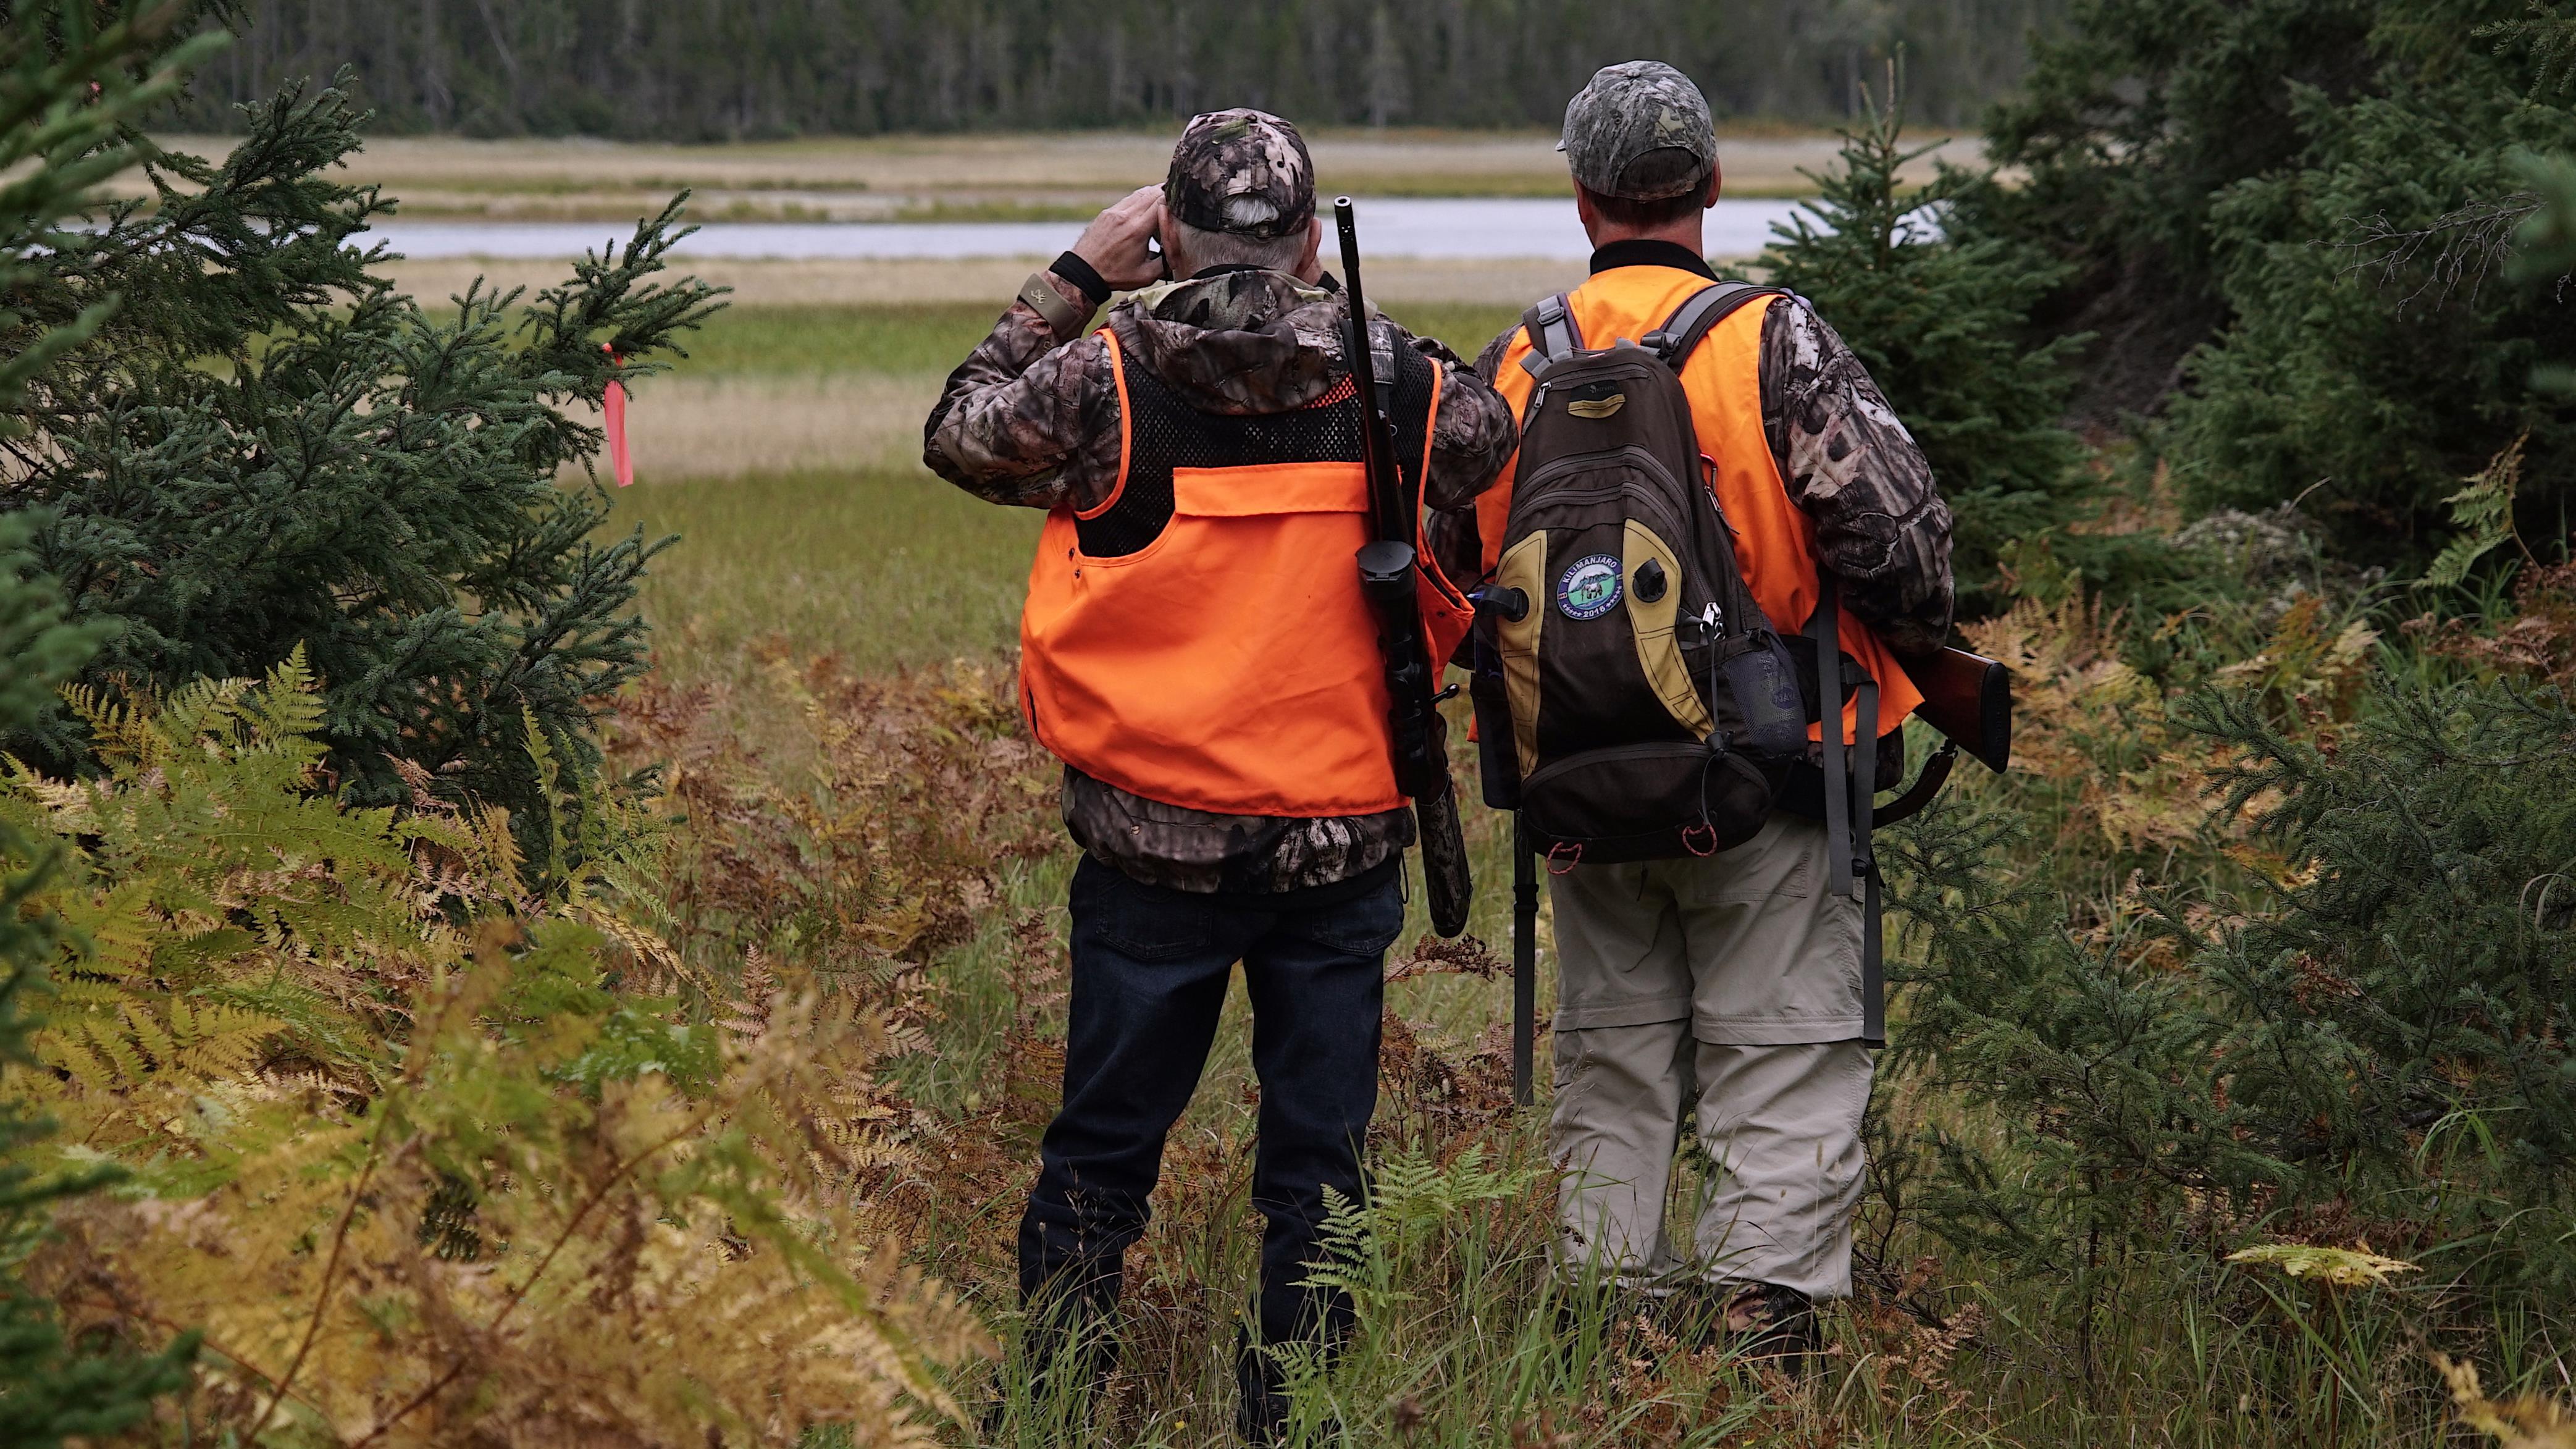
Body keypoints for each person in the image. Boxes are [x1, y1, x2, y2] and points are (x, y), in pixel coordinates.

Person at [923, 109, 1516, 1441]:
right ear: (1310, 242)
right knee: (1319, 1167)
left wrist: (1075, 277)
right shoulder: (1395, 382)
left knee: (1100, 1154)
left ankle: (1062, 1404)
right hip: (1339, 844)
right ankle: (1286, 1422)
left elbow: (955, 431)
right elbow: (1480, 443)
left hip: (1150, 848)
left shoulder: (1100, 382)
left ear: (1166, 239)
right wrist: (1337, 311)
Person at [1434, 61, 1955, 1359]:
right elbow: (1901, 553)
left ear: (1580, 199)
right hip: (1777, 778)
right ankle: (1758, 1360)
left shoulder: (1514, 361)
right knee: (1779, 1063)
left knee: (1611, 1069)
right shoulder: (1771, 339)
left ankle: (1617, 1353)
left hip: (1582, 791)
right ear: (1711, 186)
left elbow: (1447, 569)